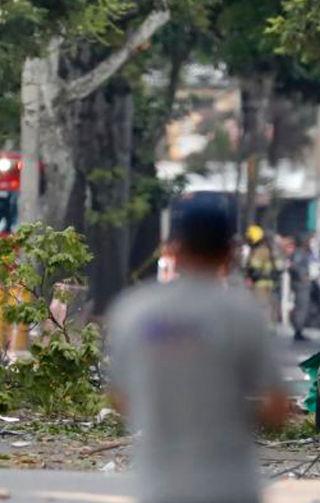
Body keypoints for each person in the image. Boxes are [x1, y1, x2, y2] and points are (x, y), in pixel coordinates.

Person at [106, 202, 290, 503]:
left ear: (174, 252)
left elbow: (119, 397)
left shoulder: (133, 311)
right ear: (229, 253)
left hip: (160, 488)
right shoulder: (243, 314)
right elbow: (277, 410)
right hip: (231, 488)